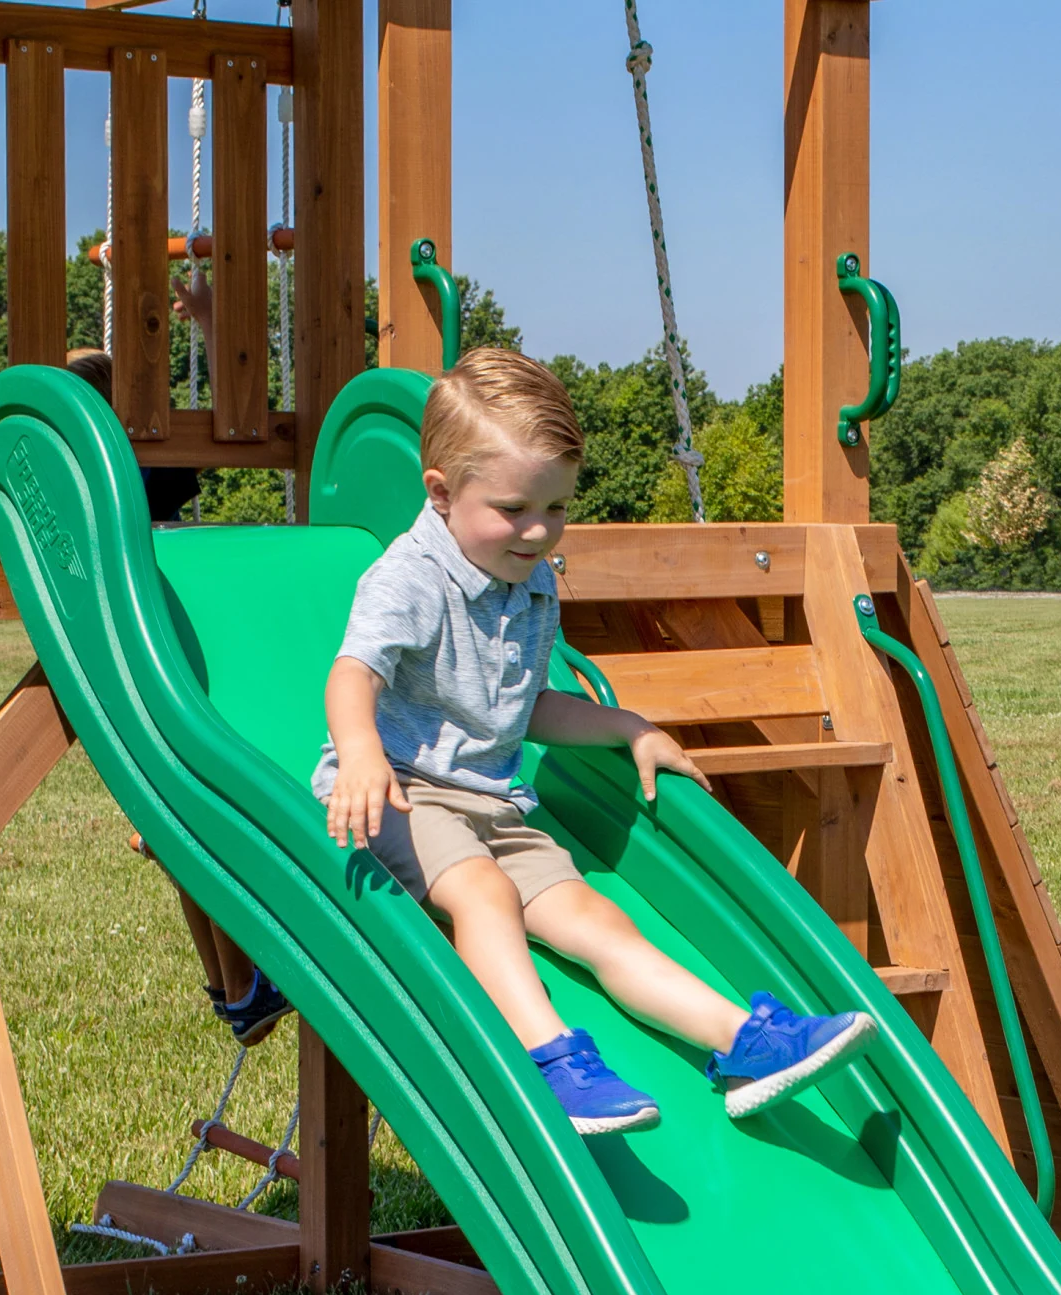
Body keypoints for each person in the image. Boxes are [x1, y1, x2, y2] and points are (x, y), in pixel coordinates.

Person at [318, 348, 875, 1135]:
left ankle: (742, 1043)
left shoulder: (530, 576)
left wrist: (629, 727)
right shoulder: (408, 578)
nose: (539, 530)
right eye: (514, 509)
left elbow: (526, 706)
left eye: (556, 508)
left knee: (597, 920)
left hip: (494, 802)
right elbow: (353, 675)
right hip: (404, 792)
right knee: (482, 896)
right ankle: (548, 1061)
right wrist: (363, 755)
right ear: (440, 493)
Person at [65, 337, 292, 1045]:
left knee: (178, 828)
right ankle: (240, 984)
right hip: (169, 643)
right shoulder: (143, 465)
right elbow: (232, 420)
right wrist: (207, 330)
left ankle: (238, 988)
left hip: (127, 651)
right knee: (189, 824)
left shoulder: (79, 489)